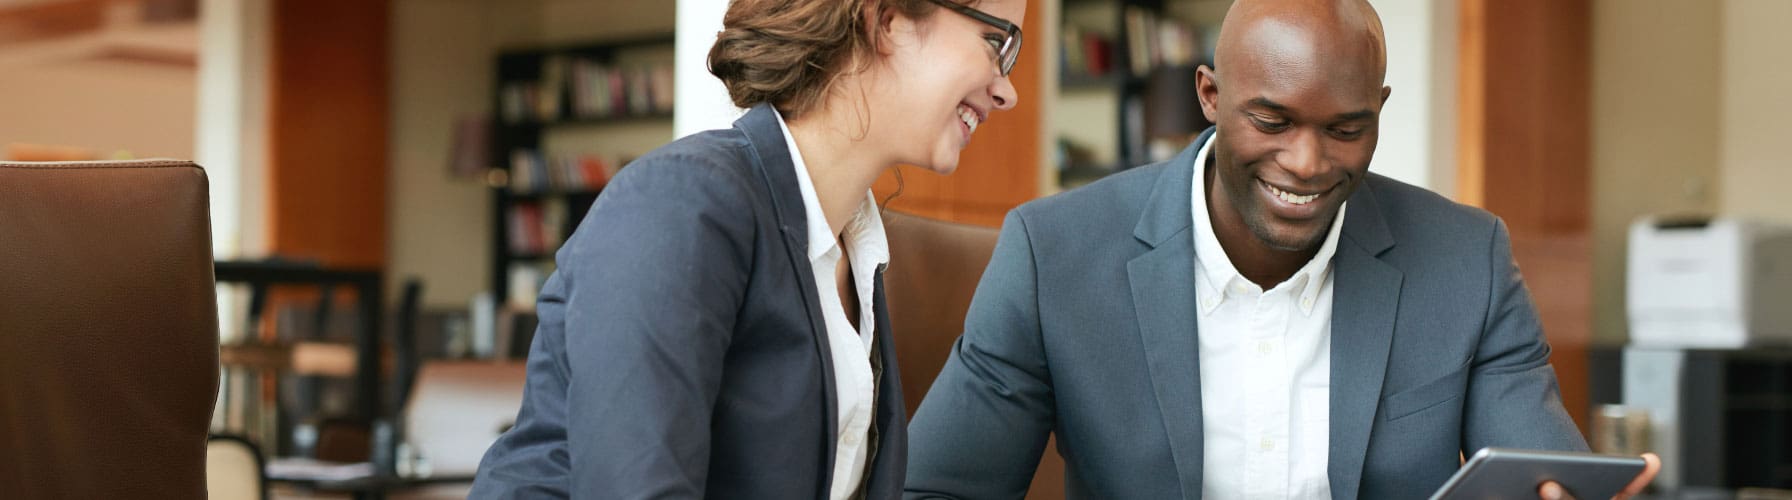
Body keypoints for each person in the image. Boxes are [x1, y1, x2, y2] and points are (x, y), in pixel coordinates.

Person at [903, 0, 1657, 499]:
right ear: (1209, 94)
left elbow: (1546, 478)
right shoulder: (1054, 254)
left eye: (1345, 129)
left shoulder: (1467, 262)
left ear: (1379, 111)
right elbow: (940, 490)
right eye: (1271, 120)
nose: (1306, 162)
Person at [467, 0, 1024, 497]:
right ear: (887, 20)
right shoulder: (682, 201)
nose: (1007, 88)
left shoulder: (859, 254)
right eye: (997, 42)